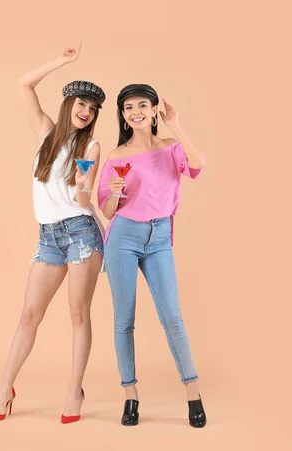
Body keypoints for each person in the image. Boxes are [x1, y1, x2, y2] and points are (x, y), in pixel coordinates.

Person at [0, 44, 106, 425]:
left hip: (81, 233)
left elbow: (84, 199)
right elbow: (24, 84)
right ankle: (4, 388)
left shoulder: (91, 145)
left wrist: (84, 183)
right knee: (28, 315)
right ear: (69, 103)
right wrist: (62, 61)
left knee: (77, 313)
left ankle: (74, 390)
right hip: (48, 237)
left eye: (92, 108)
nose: (85, 111)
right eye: (80, 104)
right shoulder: (47, 134)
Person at [97, 83, 207, 427]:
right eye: (128, 108)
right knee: (123, 319)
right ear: (123, 116)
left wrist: (178, 126)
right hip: (123, 236)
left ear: (154, 109)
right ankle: (130, 397)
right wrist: (114, 193)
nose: (136, 112)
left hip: (159, 237)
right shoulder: (116, 156)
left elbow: (197, 166)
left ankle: (193, 394)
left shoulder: (171, 148)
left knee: (172, 316)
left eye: (142, 105)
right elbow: (107, 209)